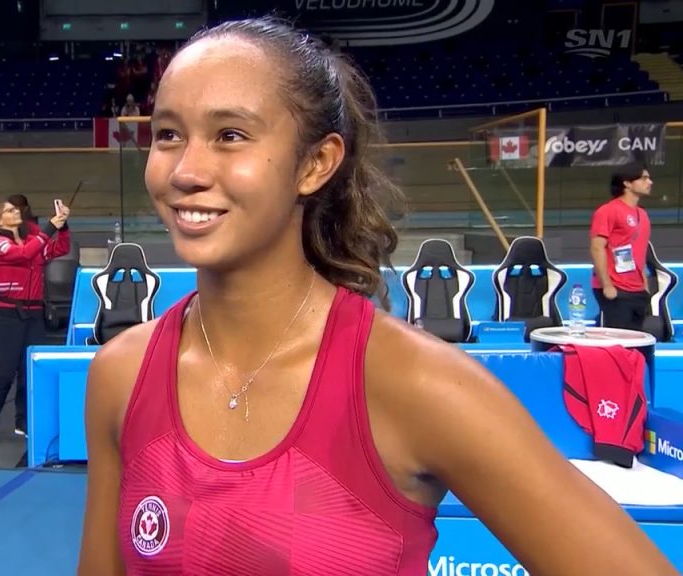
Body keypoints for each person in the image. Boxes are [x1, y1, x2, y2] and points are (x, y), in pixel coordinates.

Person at [77, 17, 676, 575]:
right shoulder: (121, 374)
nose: (185, 170)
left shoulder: (417, 383)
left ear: (316, 163)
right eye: (168, 134)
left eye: (229, 135)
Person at [0, 197, 71, 444]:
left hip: (34, 313)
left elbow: (60, 249)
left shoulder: (31, 241)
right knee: (5, 372)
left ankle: (23, 421)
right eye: (9, 210)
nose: (15, 211)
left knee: (28, 370)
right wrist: (49, 228)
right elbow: (24, 254)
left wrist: (63, 226)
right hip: (8, 313)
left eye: (16, 209)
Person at [589, 163, 653, 332]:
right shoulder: (607, 211)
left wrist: (645, 286)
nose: (650, 182)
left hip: (638, 289)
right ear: (627, 183)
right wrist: (607, 285)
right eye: (644, 178)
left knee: (637, 340)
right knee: (619, 339)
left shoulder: (643, 214)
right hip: (616, 288)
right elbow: (597, 248)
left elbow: (640, 252)